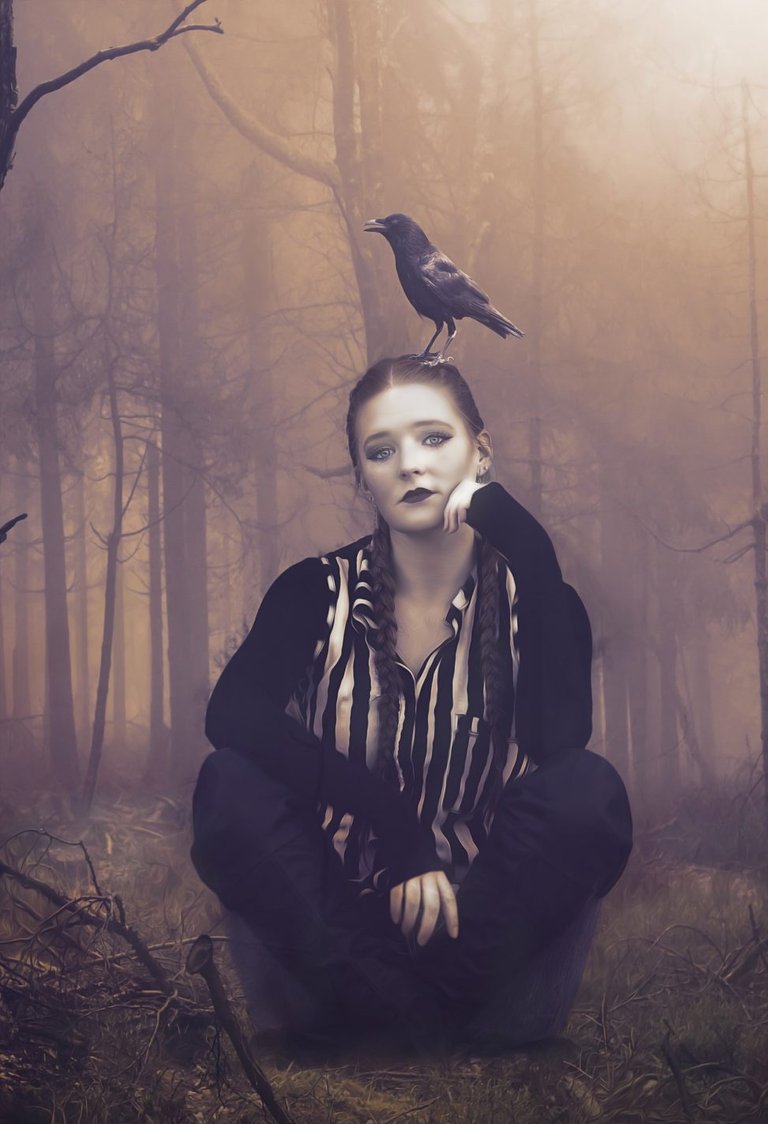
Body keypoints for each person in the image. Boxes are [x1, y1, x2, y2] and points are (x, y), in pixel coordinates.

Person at [190, 356, 633, 1058]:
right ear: (362, 472)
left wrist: (533, 553)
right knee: (227, 786)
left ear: (480, 451)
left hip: (484, 941)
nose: (409, 466)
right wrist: (393, 824)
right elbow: (232, 717)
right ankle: (419, 1029)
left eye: (433, 439)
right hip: (332, 935)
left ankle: (399, 1028)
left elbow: (560, 739)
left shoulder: (539, 600)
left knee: (590, 791)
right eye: (382, 450)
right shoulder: (314, 591)